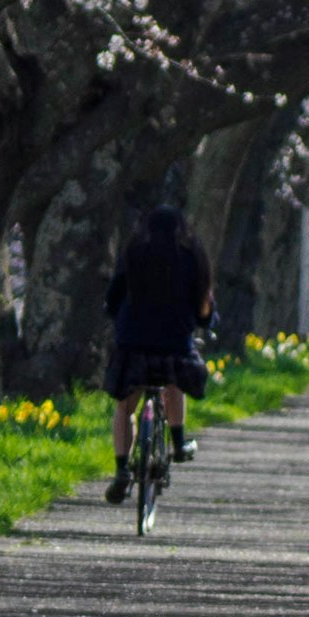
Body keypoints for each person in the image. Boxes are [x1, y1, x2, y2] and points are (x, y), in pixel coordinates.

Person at [103, 202, 213, 501]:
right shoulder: (191, 256)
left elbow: (113, 297)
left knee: (126, 408)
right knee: (173, 381)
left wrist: (117, 318)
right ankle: (177, 443)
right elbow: (204, 301)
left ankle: (122, 468)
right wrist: (205, 320)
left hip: (133, 341)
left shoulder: (134, 253)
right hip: (174, 340)